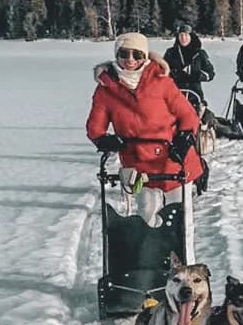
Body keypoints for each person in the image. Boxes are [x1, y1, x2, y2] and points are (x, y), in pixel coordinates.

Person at [86, 32, 205, 225]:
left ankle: (183, 255)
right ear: (117, 55)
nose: (130, 60)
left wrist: (184, 138)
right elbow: (95, 127)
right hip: (137, 160)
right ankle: (148, 253)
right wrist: (104, 140)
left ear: (146, 56)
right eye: (124, 54)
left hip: (174, 157)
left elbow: (188, 116)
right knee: (146, 213)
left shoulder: (161, 80)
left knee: (180, 216)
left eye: (137, 55)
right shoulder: (105, 88)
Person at [162, 20, 217, 110]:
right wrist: (173, 73)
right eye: (181, 35)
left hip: (195, 95)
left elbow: (210, 73)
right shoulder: (170, 53)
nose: (183, 38)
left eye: (186, 35)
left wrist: (200, 75)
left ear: (191, 36)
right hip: (175, 95)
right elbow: (163, 71)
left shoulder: (199, 54)